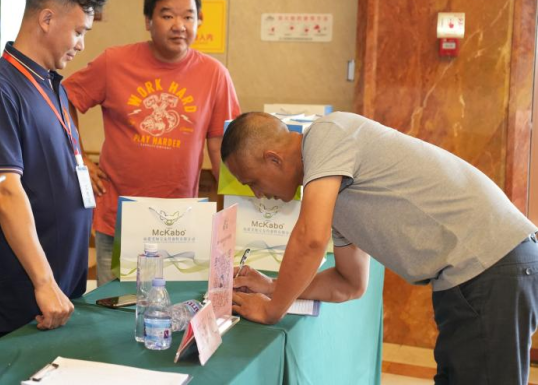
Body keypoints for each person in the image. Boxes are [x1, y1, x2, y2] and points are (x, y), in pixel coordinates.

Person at [223, 111, 538, 384]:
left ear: (273, 158)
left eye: (252, 182)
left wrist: (273, 308)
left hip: (492, 265)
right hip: (473, 277)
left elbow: (310, 239)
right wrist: (274, 286)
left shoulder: (327, 133)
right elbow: (349, 284)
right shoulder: (331, 191)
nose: (258, 194)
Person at [0, 0, 107, 351]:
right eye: (78, 32)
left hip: (59, 288)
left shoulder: (53, 85)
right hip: (18, 294)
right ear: (46, 18)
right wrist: (44, 281)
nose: (81, 45)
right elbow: (6, 192)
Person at [63, 0, 241, 285]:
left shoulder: (215, 75)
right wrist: (80, 159)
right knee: (114, 308)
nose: (179, 25)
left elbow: (219, 147)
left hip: (179, 223)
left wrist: (233, 216)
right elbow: (63, 99)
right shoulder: (114, 62)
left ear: (199, 20)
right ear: (148, 21)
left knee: (170, 309)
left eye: (188, 16)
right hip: (119, 217)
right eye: (167, 15)